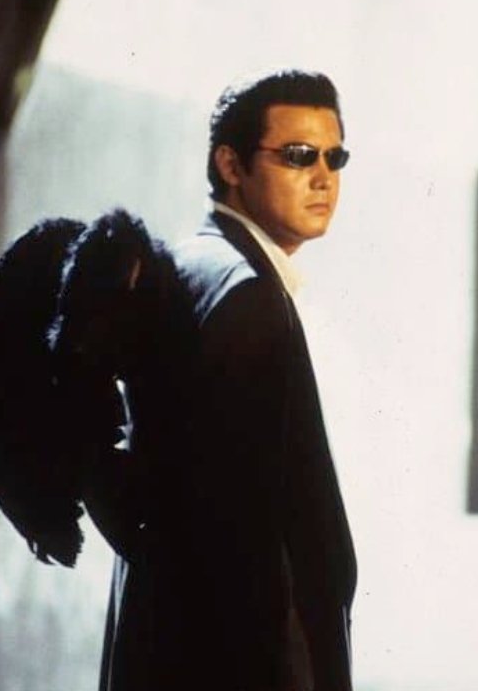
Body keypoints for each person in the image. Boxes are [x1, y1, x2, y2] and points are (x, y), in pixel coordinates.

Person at [92, 68, 357, 691]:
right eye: (298, 155)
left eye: (335, 156)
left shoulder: (191, 263)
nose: (324, 177)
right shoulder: (244, 294)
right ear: (231, 165)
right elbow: (241, 548)